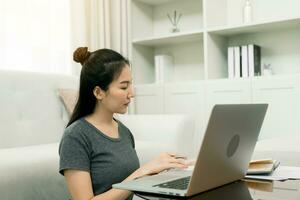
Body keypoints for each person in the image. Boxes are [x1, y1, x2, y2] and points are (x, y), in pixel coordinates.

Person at [59, 47, 188, 200]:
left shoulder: (124, 132)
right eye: (124, 86)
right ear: (98, 92)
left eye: (131, 85)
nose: (132, 93)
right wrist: (142, 172)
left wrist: (161, 170)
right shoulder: (75, 136)